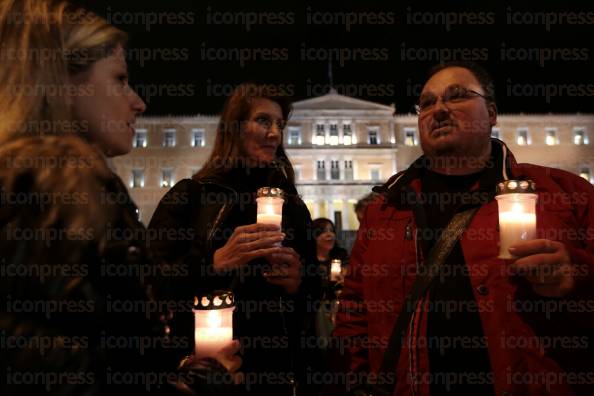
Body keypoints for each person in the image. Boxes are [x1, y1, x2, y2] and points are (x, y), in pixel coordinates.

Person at [0, 1, 240, 395]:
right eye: (119, 79)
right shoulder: (58, 191)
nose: (138, 102)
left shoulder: (36, 186)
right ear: (63, 80)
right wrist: (206, 384)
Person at [331, 62, 594, 396]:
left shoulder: (564, 193)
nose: (439, 109)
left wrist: (580, 277)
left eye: (457, 97)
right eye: (427, 103)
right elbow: (355, 314)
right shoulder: (384, 211)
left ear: (492, 113)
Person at [147, 83, 322, 396]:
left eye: (280, 124)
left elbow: (314, 293)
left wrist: (299, 281)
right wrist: (213, 263)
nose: (274, 134)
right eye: (263, 121)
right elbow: (150, 284)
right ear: (234, 128)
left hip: (280, 377)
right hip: (211, 378)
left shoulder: (292, 206)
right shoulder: (190, 197)